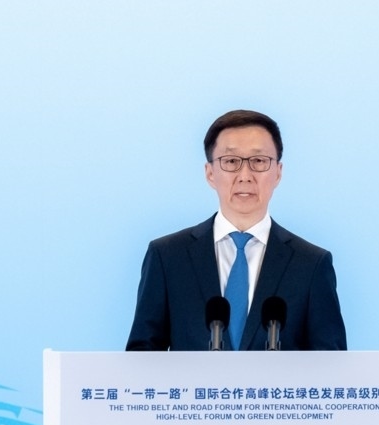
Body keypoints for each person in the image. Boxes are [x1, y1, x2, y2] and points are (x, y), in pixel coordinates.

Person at [126, 109, 347, 351]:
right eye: (231, 162)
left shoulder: (311, 264)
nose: (245, 176)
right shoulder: (167, 256)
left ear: (278, 172)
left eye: (259, 161)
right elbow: (141, 358)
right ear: (210, 173)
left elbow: (331, 365)